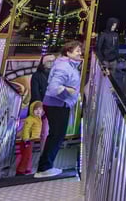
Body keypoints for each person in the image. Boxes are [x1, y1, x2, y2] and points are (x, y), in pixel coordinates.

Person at [35, 41, 83, 178]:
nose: (80, 53)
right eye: (77, 51)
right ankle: (44, 168)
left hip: (58, 104)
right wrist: (68, 93)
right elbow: (54, 87)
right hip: (58, 105)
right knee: (56, 136)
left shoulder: (67, 65)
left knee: (55, 135)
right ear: (68, 52)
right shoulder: (64, 66)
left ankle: (45, 166)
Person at [30, 53, 55, 145]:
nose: (51, 63)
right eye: (49, 61)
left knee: (47, 132)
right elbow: (35, 93)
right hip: (39, 106)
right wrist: (40, 106)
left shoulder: (55, 75)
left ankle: (44, 151)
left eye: (53, 61)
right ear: (43, 63)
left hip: (52, 106)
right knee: (35, 132)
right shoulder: (36, 75)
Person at [17, 101, 43, 175]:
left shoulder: (38, 119)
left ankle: (24, 169)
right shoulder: (30, 119)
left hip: (32, 140)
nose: (38, 111)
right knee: (25, 155)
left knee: (28, 156)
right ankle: (20, 171)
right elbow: (26, 129)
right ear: (32, 110)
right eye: (36, 109)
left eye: (40, 109)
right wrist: (26, 140)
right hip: (27, 141)